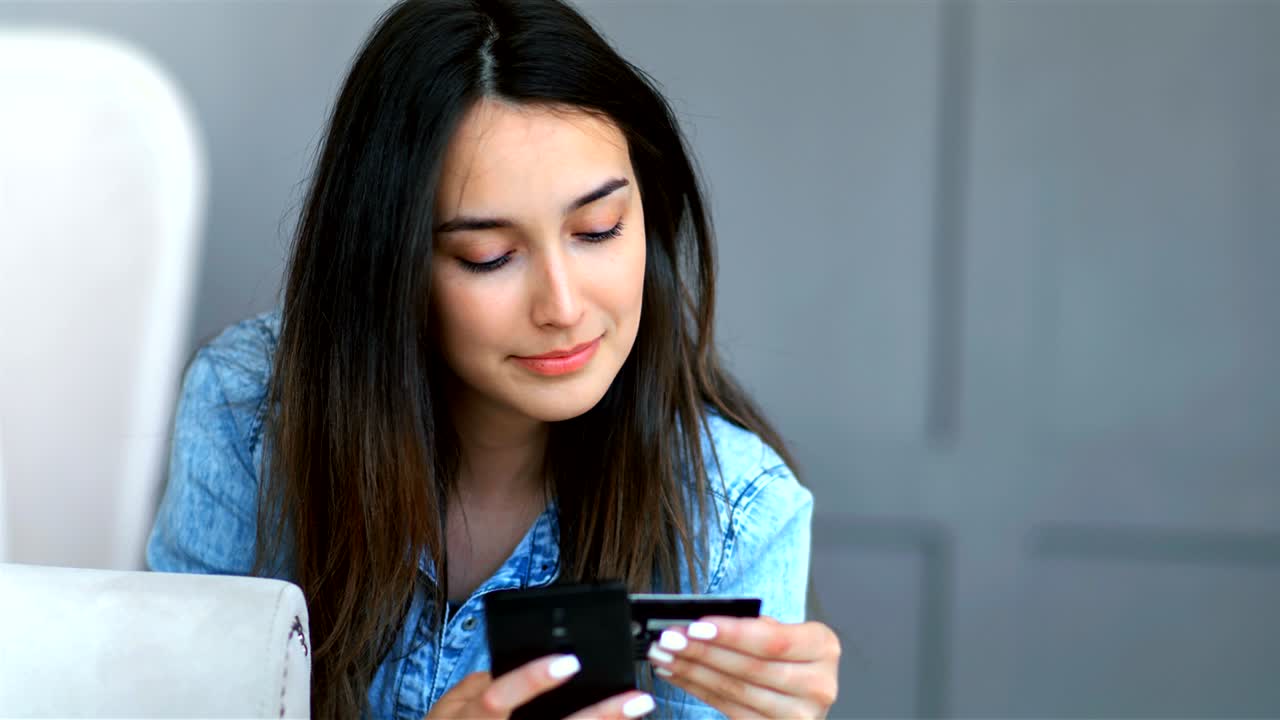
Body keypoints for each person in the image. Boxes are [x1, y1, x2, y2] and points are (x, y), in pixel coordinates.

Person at [146, 0, 840, 718]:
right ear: (391, 264)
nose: (563, 306)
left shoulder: (737, 515)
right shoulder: (249, 416)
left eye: (598, 230)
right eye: (491, 256)